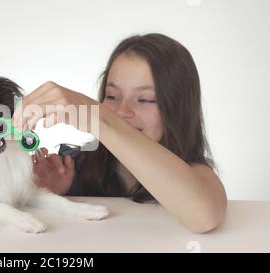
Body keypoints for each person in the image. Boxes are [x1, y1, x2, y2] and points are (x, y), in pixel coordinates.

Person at [12, 33, 227, 233]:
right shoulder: (71, 167)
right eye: (112, 96)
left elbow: (204, 216)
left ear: (178, 109)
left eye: (144, 99)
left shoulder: (195, 173)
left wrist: (102, 120)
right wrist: (36, 193)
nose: (122, 111)